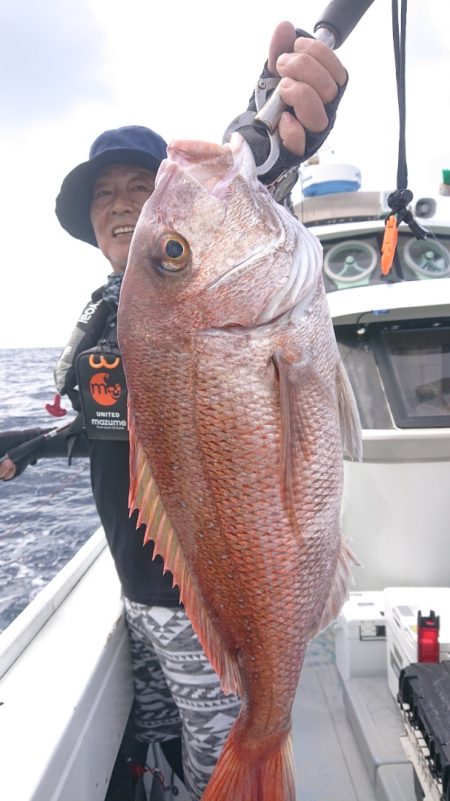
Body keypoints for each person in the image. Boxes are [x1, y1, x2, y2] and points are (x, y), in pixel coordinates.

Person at [0, 22, 347, 801]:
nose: (124, 207)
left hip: (201, 599)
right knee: (155, 737)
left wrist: (275, 140)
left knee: (210, 751)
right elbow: (105, 424)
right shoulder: (107, 314)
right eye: (105, 196)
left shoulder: (186, 303)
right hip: (136, 586)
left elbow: (248, 204)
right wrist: (29, 442)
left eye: (138, 186)